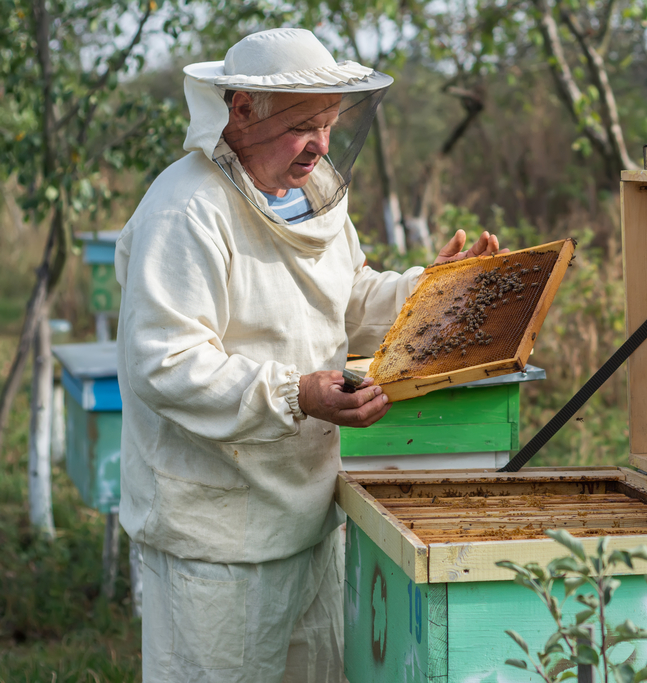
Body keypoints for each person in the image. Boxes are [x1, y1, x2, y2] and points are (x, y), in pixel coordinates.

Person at [114, 28, 502, 683]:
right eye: (302, 126)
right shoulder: (187, 209)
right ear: (240, 112)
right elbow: (166, 363)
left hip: (311, 521)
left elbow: (346, 296)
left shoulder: (310, 195)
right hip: (219, 544)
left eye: (328, 123)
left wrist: (430, 291)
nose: (320, 145)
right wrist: (299, 393)